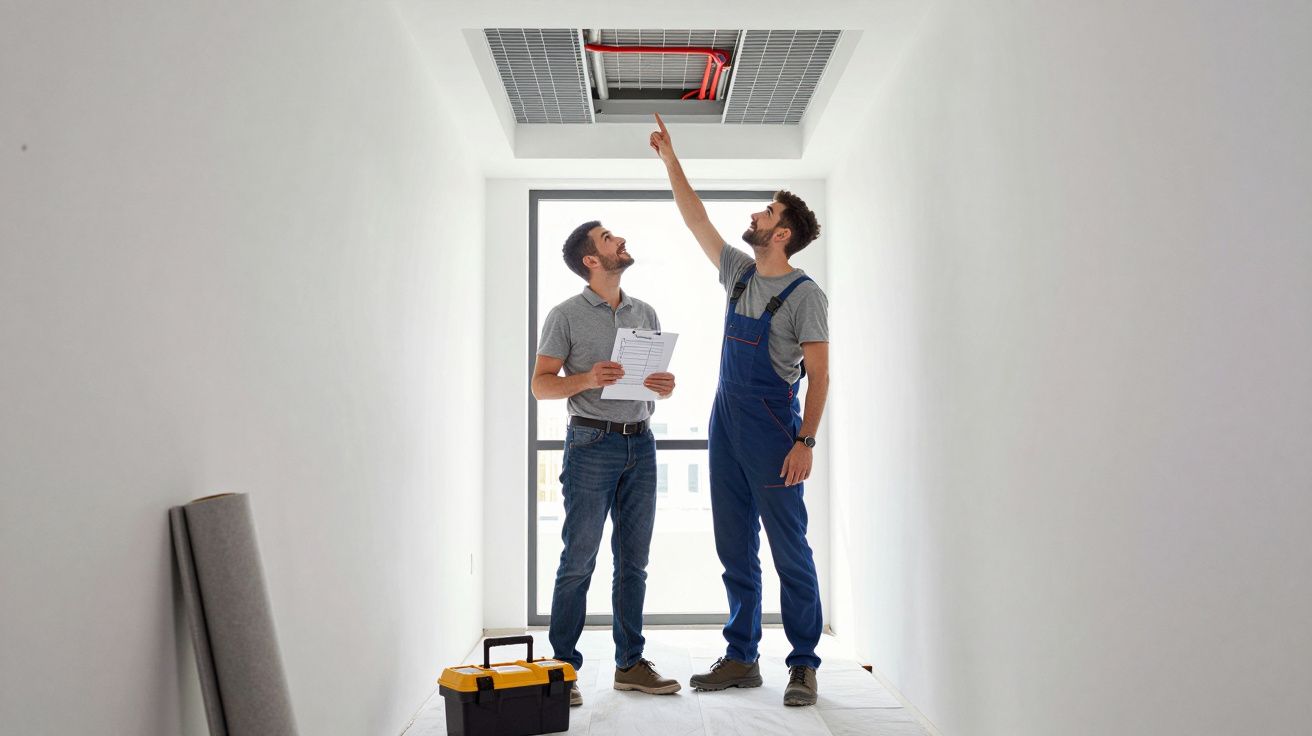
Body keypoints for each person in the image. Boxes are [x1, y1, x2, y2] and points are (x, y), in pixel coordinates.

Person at [649, 113, 829, 707]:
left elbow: (821, 375)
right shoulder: (739, 273)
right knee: (734, 546)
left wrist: (804, 443)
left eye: (766, 213)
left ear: (783, 234)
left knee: (790, 550)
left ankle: (803, 663)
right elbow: (695, 217)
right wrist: (671, 160)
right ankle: (742, 656)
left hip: (776, 428)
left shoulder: (806, 297)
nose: (755, 215)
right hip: (725, 420)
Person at [531, 220, 682, 707]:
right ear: (591, 260)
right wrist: (587, 377)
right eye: (608, 239)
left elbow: (652, 379)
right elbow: (540, 384)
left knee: (633, 564)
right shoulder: (565, 315)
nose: (620, 240)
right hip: (591, 444)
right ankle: (561, 669)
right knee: (579, 562)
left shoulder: (645, 311)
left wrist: (664, 385)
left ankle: (630, 665)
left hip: (642, 443)